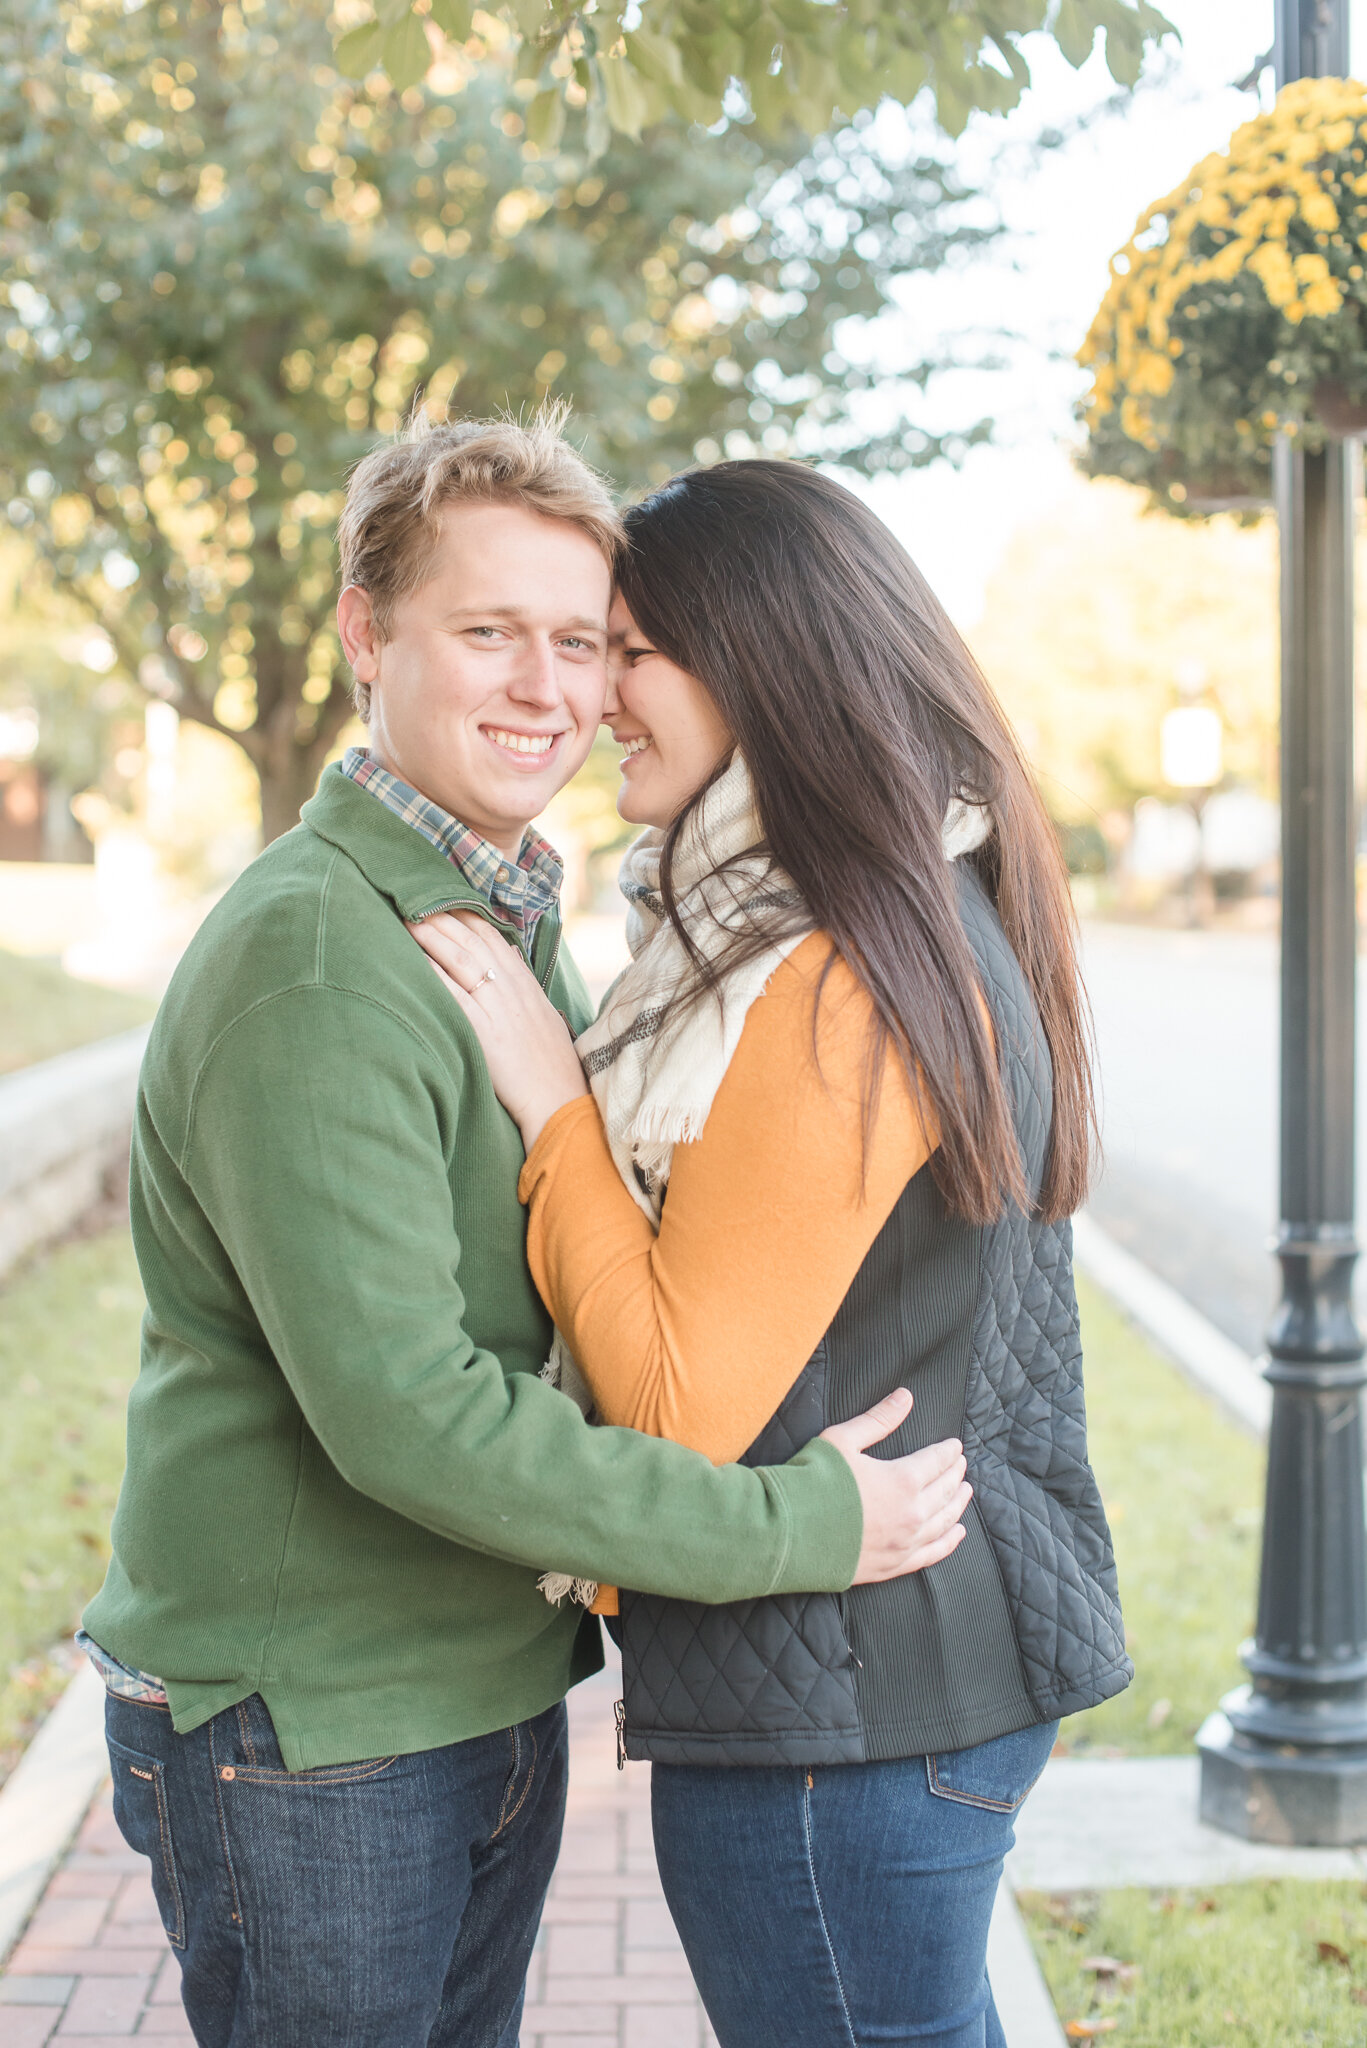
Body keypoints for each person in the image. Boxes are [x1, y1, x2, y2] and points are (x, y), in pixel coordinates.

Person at [78, 419, 973, 2048]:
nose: (548, 690)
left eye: (583, 642)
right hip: (315, 1731)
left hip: (470, 1695)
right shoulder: (321, 961)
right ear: (367, 632)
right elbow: (412, 1412)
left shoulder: (495, 924)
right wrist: (796, 1530)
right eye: (488, 631)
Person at [410, 457, 1131, 2048]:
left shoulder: (828, 973)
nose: (597, 699)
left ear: (755, 662)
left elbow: (672, 1403)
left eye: (627, 652)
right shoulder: (875, 913)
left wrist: (557, 1110)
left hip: (845, 1719)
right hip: (888, 1688)